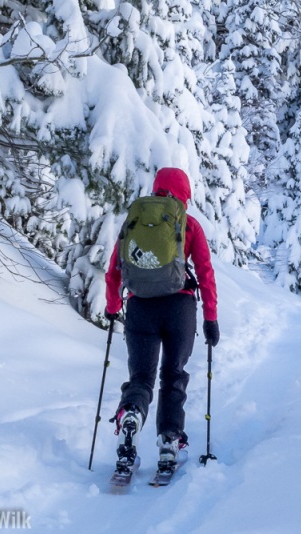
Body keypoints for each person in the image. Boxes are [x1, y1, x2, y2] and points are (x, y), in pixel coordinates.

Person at [104, 167, 219, 473]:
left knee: (141, 378)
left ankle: (131, 414)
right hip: (179, 308)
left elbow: (114, 269)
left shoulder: (136, 221)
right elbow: (206, 275)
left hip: (140, 307)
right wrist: (210, 319)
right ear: (184, 194)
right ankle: (169, 441)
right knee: (173, 374)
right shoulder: (188, 223)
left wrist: (113, 305)